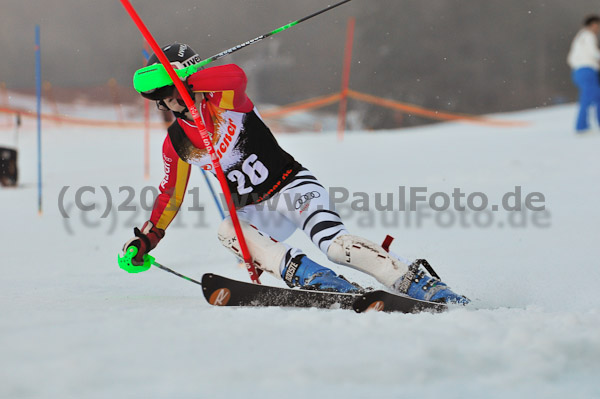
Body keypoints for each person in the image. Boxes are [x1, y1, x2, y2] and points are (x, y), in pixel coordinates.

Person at [121, 43, 469, 304]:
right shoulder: (177, 142)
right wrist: (148, 238)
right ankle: (322, 282)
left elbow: (236, 75)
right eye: (165, 98)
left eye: (175, 92)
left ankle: (421, 284)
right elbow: (170, 195)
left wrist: (187, 77)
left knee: (336, 245)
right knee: (228, 229)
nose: (173, 103)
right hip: (254, 209)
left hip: (291, 187)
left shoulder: (223, 99)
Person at [567, 15, 600, 133]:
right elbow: (593, 53)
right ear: (593, 24)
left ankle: (583, 125)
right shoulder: (589, 36)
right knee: (589, 98)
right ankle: (581, 127)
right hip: (587, 70)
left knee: (594, 97)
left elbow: (570, 58)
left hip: (578, 71)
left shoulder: (580, 37)